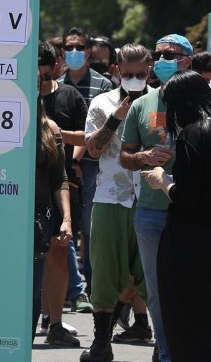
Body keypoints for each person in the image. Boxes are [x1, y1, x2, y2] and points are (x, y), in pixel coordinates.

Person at [141, 71, 211, 362]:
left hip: (188, 241)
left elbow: (186, 197)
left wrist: (162, 179)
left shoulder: (193, 134)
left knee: (186, 324)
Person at [120, 33, 193, 362]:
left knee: (189, 288)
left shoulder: (202, 103)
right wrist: (145, 156)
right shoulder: (141, 104)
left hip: (193, 212)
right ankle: (167, 354)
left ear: (187, 60)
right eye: (158, 54)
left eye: (171, 54)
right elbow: (125, 157)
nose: (162, 60)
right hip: (150, 213)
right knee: (158, 293)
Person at [81, 44, 154, 361]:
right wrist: (116, 119)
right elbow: (93, 150)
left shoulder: (161, 102)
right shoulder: (102, 103)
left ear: (148, 70)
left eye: (140, 74)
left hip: (150, 196)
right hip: (111, 197)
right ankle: (101, 343)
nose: (135, 79)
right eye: (128, 74)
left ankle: (161, 342)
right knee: (105, 272)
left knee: (151, 273)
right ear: (116, 71)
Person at [36, 43, 86, 344]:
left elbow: (86, 135)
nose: (39, 78)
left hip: (57, 193)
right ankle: (30, 316)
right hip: (21, 200)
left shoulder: (68, 97)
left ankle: (55, 321)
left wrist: (66, 145)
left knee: (57, 255)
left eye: (43, 70)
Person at [61, 27, 113, 313]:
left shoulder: (103, 86)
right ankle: (71, 289)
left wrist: (80, 159)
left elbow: (100, 130)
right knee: (65, 228)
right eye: (69, 47)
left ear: (88, 51)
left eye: (79, 47)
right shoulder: (55, 84)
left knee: (90, 230)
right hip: (60, 168)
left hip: (93, 168)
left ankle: (93, 288)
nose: (74, 52)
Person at [31, 96, 79, 346]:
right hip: (1, 218)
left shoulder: (49, 129)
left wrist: (66, 220)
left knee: (33, 291)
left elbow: (59, 177)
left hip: (40, 218)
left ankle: (42, 327)